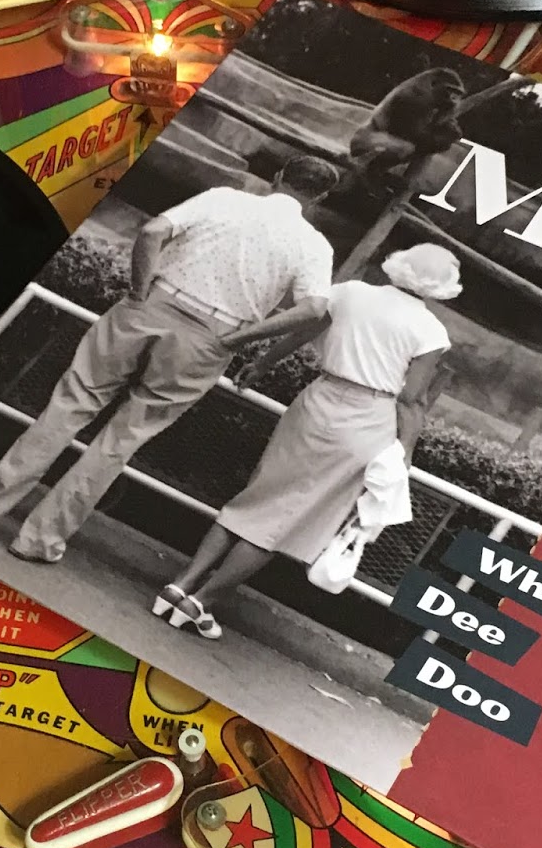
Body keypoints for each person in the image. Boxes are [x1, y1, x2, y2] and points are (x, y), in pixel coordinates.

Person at [0, 157, 341, 563]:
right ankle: (41, 540)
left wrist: (139, 293)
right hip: (213, 337)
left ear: (278, 176)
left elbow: (154, 230)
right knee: (122, 439)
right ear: (321, 198)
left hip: (155, 302)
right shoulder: (313, 245)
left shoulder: (225, 199)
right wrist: (241, 338)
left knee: (71, 404)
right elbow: (315, 308)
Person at [156, 242, 463, 637]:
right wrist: (405, 450)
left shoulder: (350, 292)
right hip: (366, 421)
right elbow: (411, 400)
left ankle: (181, 585)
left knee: (257, 496)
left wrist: (263, 363)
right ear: (441, 289)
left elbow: (303, 331)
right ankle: (202, 601)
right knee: (285, 522)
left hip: (317, 400)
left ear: (397, 266)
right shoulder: (430, 331)